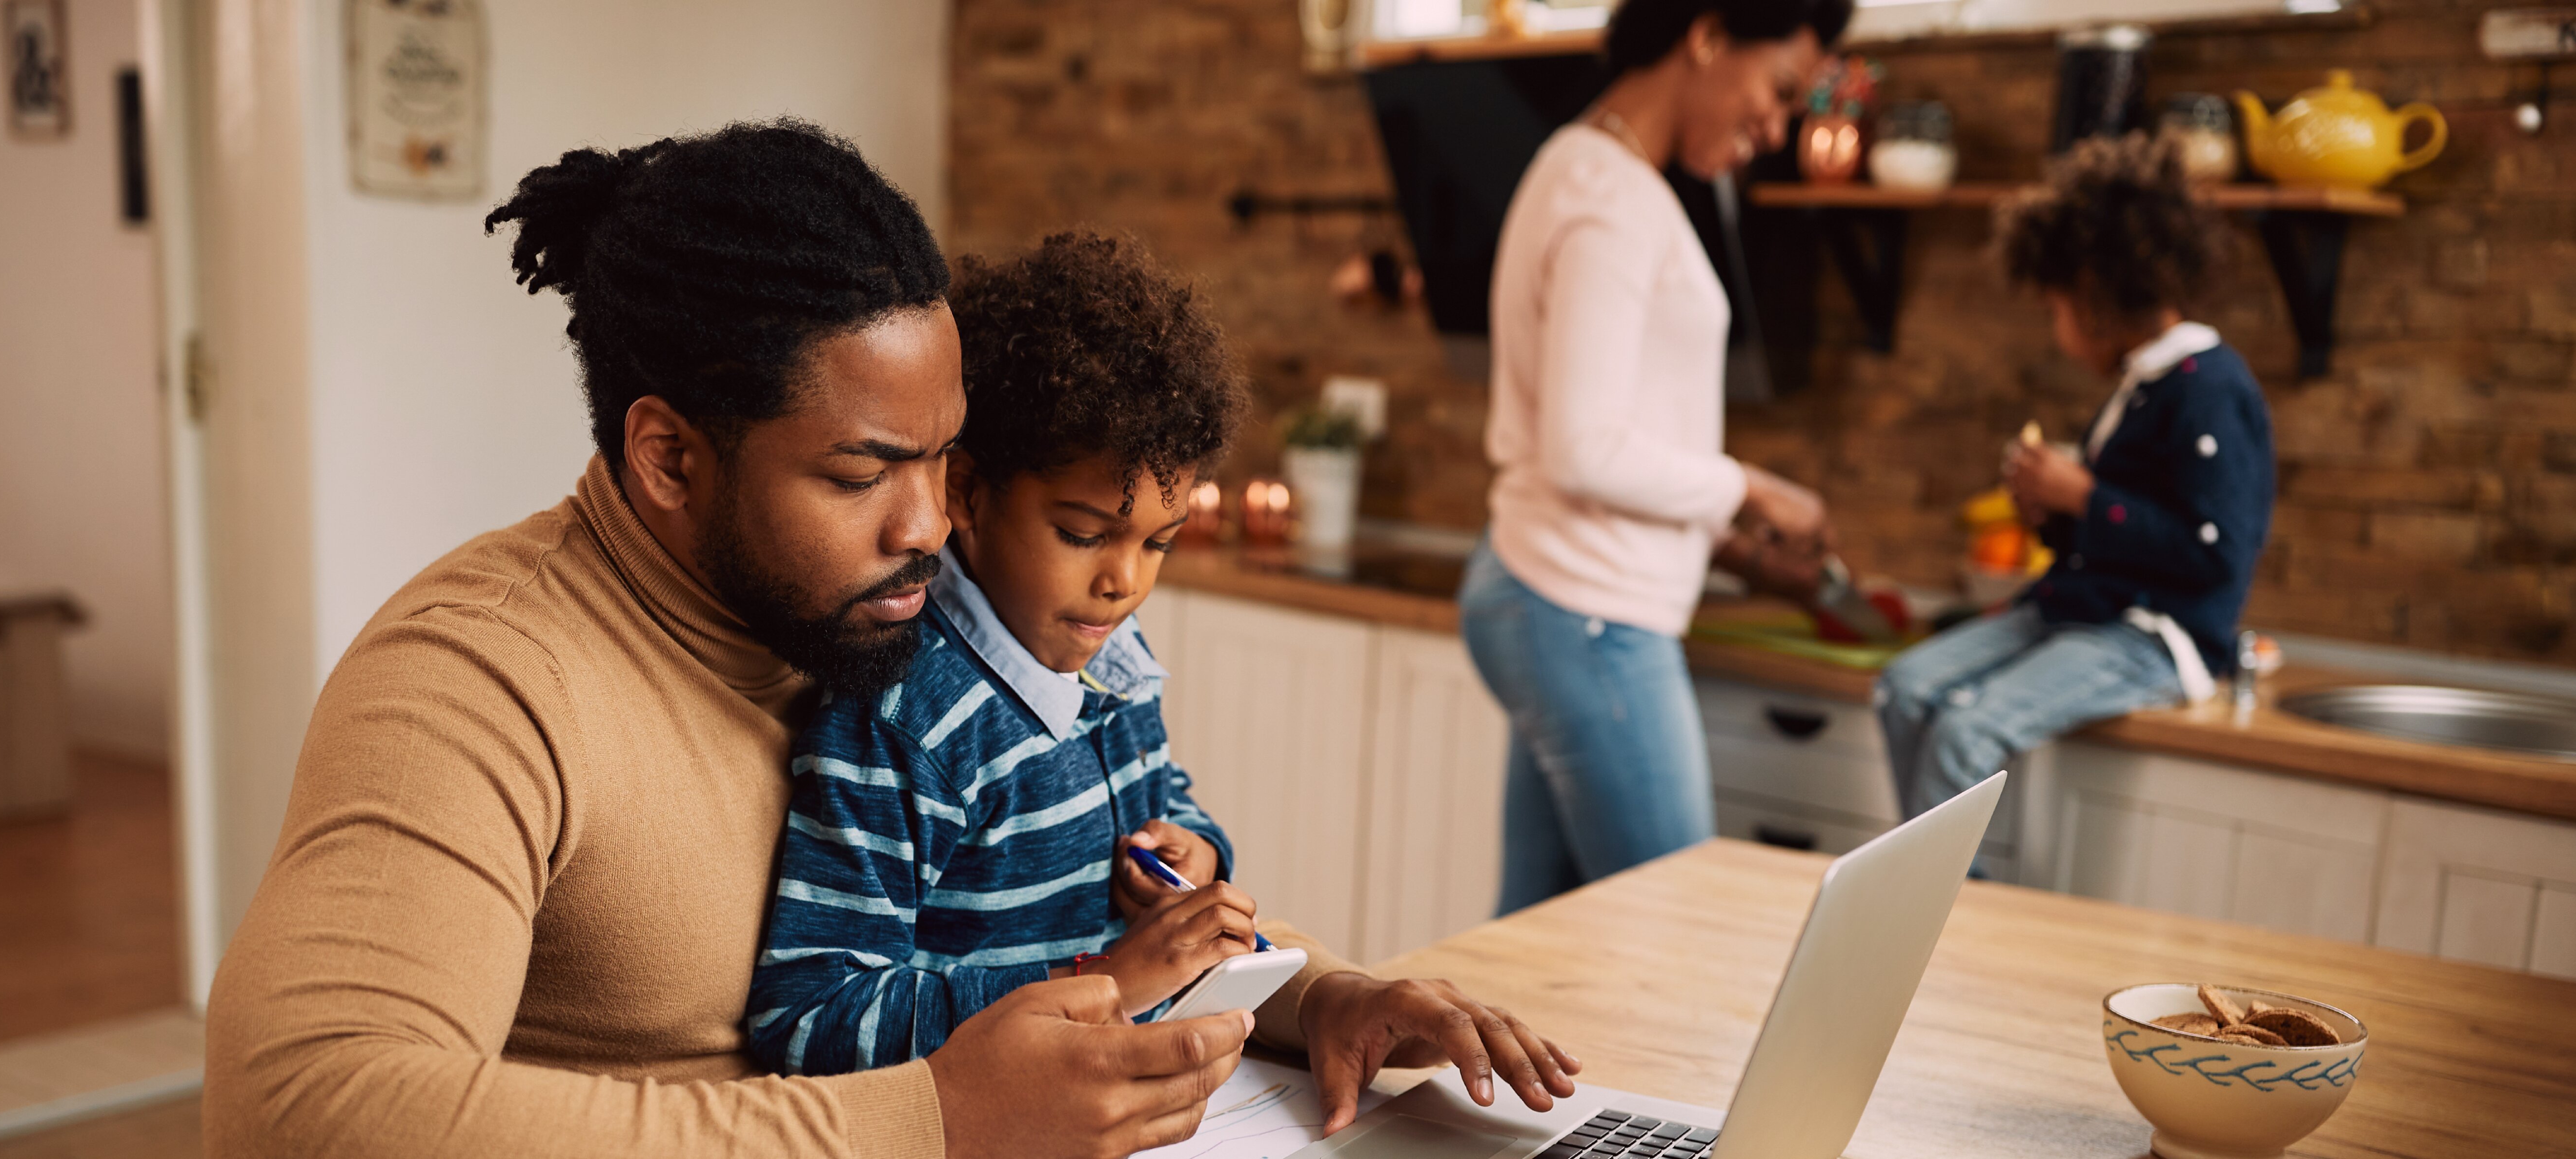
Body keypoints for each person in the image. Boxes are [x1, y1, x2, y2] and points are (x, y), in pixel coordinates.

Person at [204, 122, 1573, 1159]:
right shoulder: (482, 676)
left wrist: (1318, 997)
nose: (932, 526)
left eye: (946, 461)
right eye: (862, 475)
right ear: (672, 458)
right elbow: (303, 1106)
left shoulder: (896, 624)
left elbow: (1078, 906)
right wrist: (930, 1120)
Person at [744, 232, 1256, 1066]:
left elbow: (1165, 793)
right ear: (969, 494)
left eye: (1160, 543)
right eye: (1082, 534)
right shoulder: (907, 721)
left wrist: (1195, 851)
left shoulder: (1110, 658)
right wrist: (1103, 984)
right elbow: (810, 1016)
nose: (1124, 583)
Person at [1461, 0, 1852, 915]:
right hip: (1587, 610)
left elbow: (1602, 437)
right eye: (1779, 89)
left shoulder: (1582, 168)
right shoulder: (1612, 198)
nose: (1779, 124)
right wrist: (1756, 490)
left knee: (1537, 941)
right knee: (1675, 932)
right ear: (1708, 36)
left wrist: (1736, 548)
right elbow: (1584, 450)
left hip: (1549, 593)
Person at [1876, 134, 2276, 823]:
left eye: (2052, 308)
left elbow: (2214, 552)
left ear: (2091, 294)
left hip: (2152, 638)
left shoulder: (2210, 388)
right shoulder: (2140, 383)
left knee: (1966, 731)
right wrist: (2054, 513)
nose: (2054, 327)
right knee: (1904, 688)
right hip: (2077, 611)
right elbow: (2111, 533)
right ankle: (1920, 890)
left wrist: (2083, 497)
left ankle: (1954, 918)